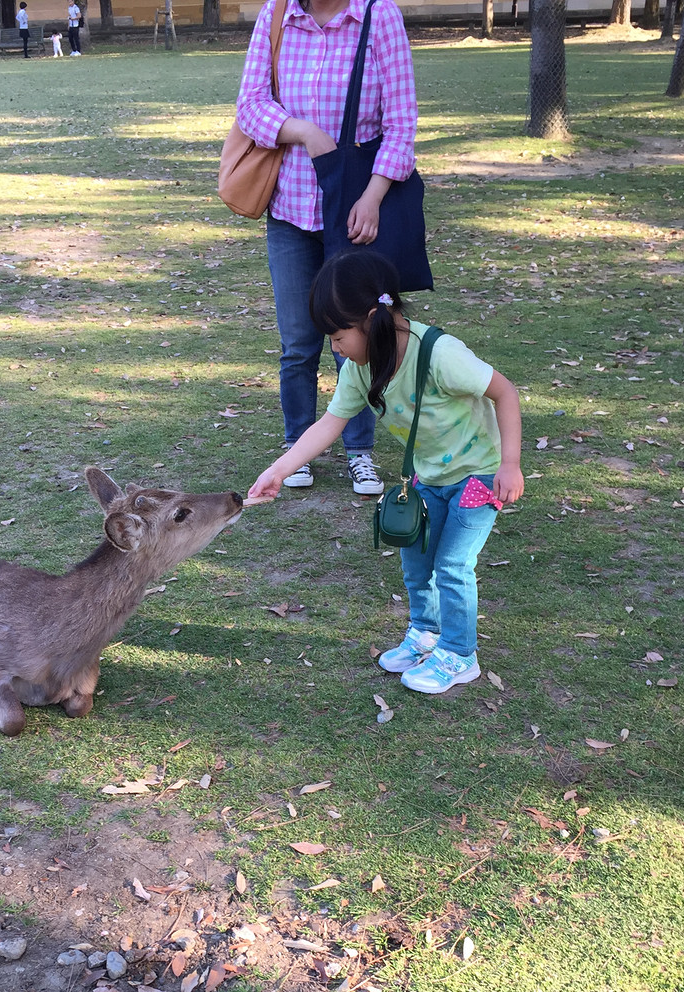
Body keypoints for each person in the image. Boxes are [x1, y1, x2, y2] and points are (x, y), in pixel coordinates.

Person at [247, 251, 524, 696]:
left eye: (338, 337)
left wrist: (510, 464)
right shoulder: (361, 367)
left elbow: (505, 392)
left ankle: (459, 653)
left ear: (373, 318)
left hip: (480, 476)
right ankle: (425, 634)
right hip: (426, 477)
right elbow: (330, 423)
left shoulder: (441, 355)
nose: (334, 348)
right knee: (415, 559)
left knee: (452, 564)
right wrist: (279, 469)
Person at [235, 0, 418, 498]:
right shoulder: (277, 14)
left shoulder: (379, 16)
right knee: (298, 343)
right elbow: (250, 103)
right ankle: (297, 446)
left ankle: (359, 452)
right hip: (290, 207)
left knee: (355, 337)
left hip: (356, 208)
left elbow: (401, 122)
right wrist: (303, 131)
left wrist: (375, 195)